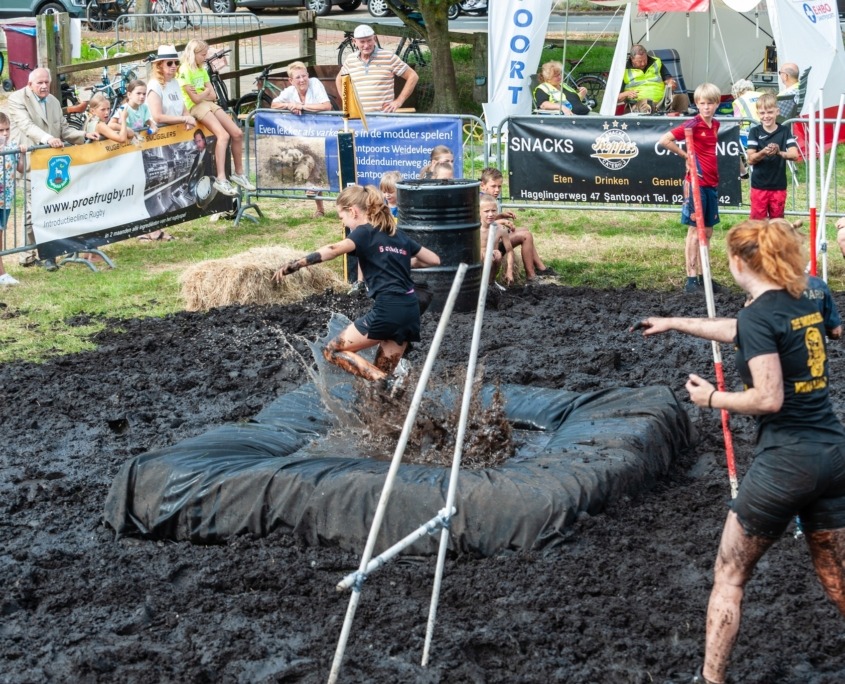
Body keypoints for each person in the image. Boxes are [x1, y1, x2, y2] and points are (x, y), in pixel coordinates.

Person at [634, 218, 845, 684]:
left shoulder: (759, 315)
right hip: (834, 456)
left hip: (785, 464)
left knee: (729, 576)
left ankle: (711, 679)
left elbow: (768, 398)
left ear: (737, 261)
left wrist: (711, 398)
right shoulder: (811, 291)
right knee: (837, 578)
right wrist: (674, 323)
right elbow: (748, 330)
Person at [272, 184, 439, 386]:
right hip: (410, 311)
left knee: (333, 351)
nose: (343, 223)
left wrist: (296, 264)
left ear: (353, 211)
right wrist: (398, 261)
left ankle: (385, 381)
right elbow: (433, 260)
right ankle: (389, 389)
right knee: (378, 387)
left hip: (388, 310)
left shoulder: (364, 232)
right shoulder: (398, 235)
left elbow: (333, 249)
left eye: (341, 217)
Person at [8, 67, 90, 271]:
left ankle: (31, 254)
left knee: (38, 210)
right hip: (29, 163)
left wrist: (85, 135)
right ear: (30, 84)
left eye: (47, 82)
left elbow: (64, 129)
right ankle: (44, 254)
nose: (44, 86)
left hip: (51, 165)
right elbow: (26, 126)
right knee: (35, 210)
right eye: (40, 83)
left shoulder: (53, 101)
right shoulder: (17, 99)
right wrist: (47, 139)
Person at [659, 82, 723, 294]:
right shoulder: (692, 124)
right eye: (702, 103)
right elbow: (665, 140)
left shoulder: (715, 125)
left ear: (717, 104)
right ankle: (691, 279)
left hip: (711, 183)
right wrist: (686, 156)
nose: (706, 107)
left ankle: (705, 276)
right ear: (697, 104)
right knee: (695, 231)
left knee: (708, 231)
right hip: (696, 183)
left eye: (710, 103)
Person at [178, 39, 255, 197]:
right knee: (223, 135)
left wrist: (203, 93)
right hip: (196, 107)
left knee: (237, 133)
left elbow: (213, 95)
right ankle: (221, 179)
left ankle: (239, 173)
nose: (205, 58)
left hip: (208, 103)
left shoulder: (202, 69)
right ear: (193, 54)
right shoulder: (185, 70)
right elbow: (195, 100)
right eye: (202, 55)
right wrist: (204, 92)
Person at [271, 61, 331, 216]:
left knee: (322, 167)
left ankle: (341, 207)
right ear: (291, 80)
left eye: (304, 76)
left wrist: (302, 107)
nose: (302, 80)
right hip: (305, 135)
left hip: (323, 131)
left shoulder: (315, 83)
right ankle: (320, 208)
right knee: (311, 165)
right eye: (298, 77)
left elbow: (326, 106)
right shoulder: (290, 91)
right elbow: (273, 104)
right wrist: (290, 105)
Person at [479, 167, 558, 280]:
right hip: (488, 246)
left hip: (494, 239)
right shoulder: (479, 201)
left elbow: (488, 219)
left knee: (525, 230)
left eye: (499, 186)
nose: (497, 190)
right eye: (493, 186)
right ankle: (532, 275)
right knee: (526, 235)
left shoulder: (488, 198)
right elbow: (481, 224)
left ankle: (541, 269)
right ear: (482, 185)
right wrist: (501, 221)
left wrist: (501, 215)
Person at [335, 24, 419, 113]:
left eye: (369, 40)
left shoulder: (388, 57)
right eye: (362, 42)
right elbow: (339, 79)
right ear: (354, 41)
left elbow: (413, 76)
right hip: (358, 116)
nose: (366, 45)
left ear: (374, 39)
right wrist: (346, 101)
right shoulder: (350, 59)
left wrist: (399, 101)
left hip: (383, 117)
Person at [745, 91, 799, 220]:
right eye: (762, 113)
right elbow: (750, 159)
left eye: (770, 112)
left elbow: (795, 155)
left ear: (777, 112)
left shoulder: (785, 131)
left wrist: (779, 152)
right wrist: (763, 152)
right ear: (758, 114)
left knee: (777, 223)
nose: (766, 116)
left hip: (778, 186)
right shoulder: (754, 132)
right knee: (757, 224)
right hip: (759, 186)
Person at [617, 44, 689, 115]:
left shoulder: (656, 62)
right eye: (639, 61)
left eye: (645, 60)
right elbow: (617, 97)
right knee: (647, 104)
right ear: (632, 59)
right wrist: (626, 94)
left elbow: (668, 79)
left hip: (662, 102)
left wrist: (671, 83)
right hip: (639, 103)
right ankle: (656, 118)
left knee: (682, 98)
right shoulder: (623, 70)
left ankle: (680, 121)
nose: (643, 63)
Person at [146, 45, 197, 131]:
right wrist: (184, 119)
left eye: (176, 63)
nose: (174, 66)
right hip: (161, 132)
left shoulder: (175, 82)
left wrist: (188, 118)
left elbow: (183, 108)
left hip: (178, 129)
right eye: (169, 63)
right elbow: (157, 117)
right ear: (160, 64)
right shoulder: (154, 85)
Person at [0, 112, 25, 286]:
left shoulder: (12, 146)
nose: (5, 133)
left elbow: (20, 168)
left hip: (6, 199)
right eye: (1, 130)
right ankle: (1, 273)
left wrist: (21, 153)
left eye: (7, 129)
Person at [480, 192, 514, 288]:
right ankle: (479, 283)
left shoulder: (501, 229)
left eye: (493, 211)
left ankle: (491, 282)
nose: (490, 214)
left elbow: (510, 251)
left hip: (492, 262)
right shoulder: (475, 229)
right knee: (485, 255)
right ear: (479, 212)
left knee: (497, 254)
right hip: (477, 264)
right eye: (486, 211)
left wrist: (509, 270)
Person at [110, 80, 157, 146]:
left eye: (144, 94)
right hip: (126, 144)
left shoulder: (144, 107)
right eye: (138, 93)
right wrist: (126, 129)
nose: (142, 96)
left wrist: (152, 125)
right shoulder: (124, 108)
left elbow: (146, 119)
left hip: (138, 142)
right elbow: (110, 125)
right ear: (129, 95)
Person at [730, 79, 760, 179]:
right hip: (771, 132)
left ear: (737, 92)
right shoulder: (763, 95)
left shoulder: (739, 101)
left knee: (730, 142)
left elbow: (737, 123)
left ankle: (742, 172)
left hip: (750, 136)